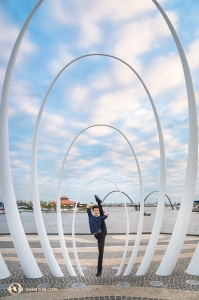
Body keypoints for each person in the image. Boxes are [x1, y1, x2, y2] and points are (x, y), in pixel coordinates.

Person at [87, 196, 109, 277]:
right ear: (93, 211)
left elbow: (107, 214)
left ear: (98, 211)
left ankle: (99, 271)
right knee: (102, 218)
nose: (96, 211)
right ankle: (99, 202)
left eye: (97, 210)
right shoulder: (90, 216)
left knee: (101, 253)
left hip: (102, 234)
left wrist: (101, 209)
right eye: (95, 210)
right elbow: (87, 206)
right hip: (97, 234)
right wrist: (96, 204)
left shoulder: (100, 217)